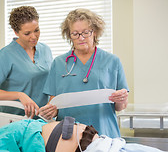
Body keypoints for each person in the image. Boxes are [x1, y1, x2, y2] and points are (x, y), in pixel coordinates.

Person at [39, 8, 128, 138]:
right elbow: (54, 105)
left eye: (86, 32)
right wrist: (49, 112)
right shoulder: (59, 63)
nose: (81, 38)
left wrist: (121, 98)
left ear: (95, 32)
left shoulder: (112, 61)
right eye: (75, 33)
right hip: (69, 136)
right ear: (69, 35)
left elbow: (120, 107)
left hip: (104, 133)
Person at [0, 6, 53, 118]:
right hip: (17, 120)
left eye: (36, 30)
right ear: (16, 32)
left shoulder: (45, 49)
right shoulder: (5, 55)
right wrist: (19, 95)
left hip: (44, 118)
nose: (34, 37)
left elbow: (52, 83)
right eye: (27, 33)